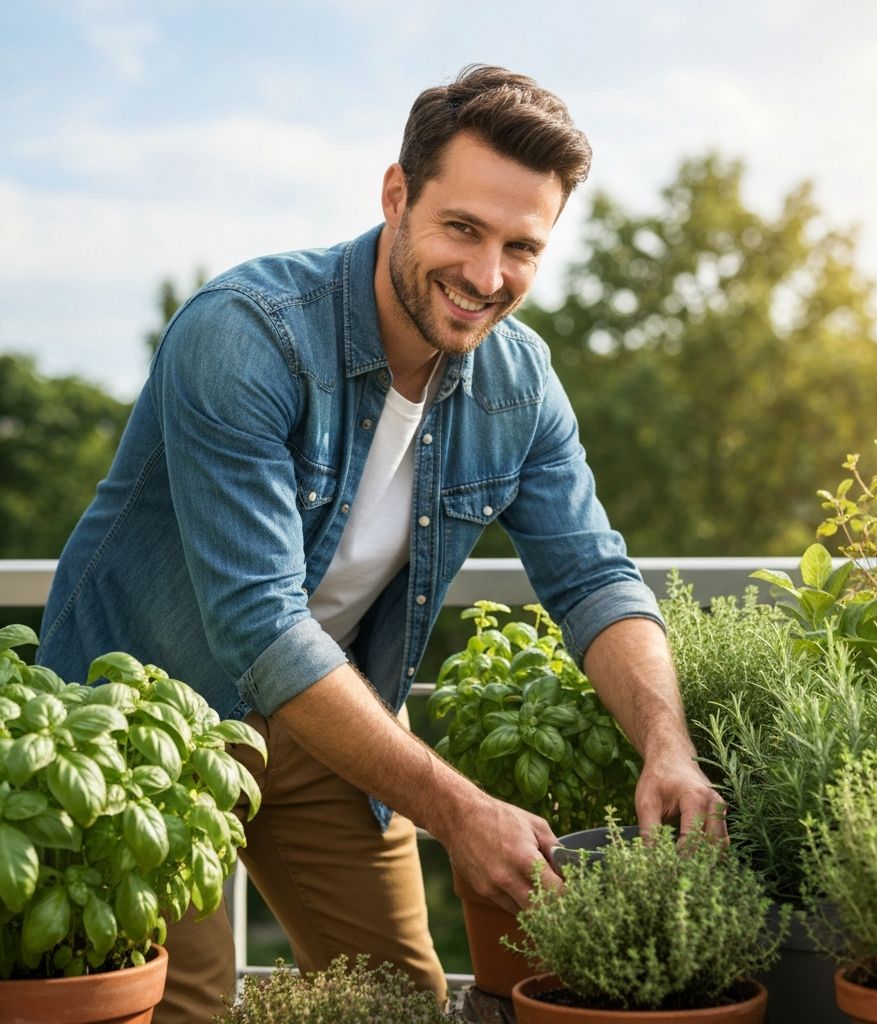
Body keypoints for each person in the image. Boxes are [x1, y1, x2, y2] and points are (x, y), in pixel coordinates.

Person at [37, 64, 726, 1021]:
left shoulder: (520, 384)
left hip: (330, 709)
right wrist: (459, 811)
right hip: (147, 724)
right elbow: (260, 625)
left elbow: (593, 577)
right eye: (463, 229)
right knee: (177, 1006)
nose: (488, 278)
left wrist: (669, 745)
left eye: (521, 246)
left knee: (398, 1003)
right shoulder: (246, 336)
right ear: (397, 194)